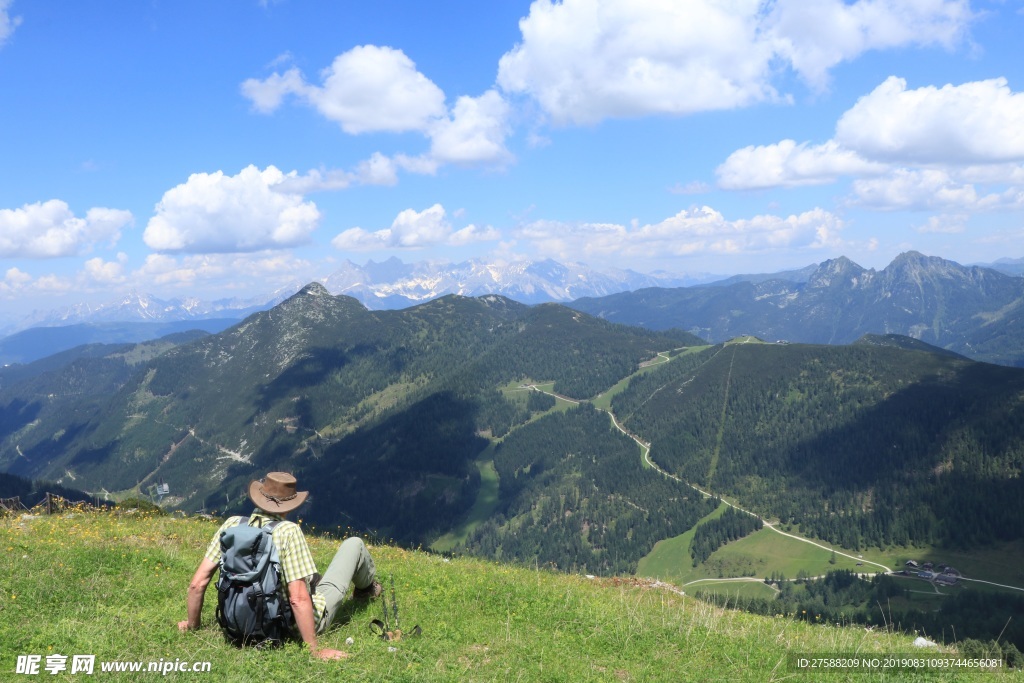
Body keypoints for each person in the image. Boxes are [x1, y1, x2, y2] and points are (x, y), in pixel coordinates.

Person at [177, 472, 380, 660]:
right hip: (287, 627)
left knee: (310, 577)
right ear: (290, 506)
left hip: (236, 623)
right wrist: (314, 649)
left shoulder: (231, 525)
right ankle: (366, 590)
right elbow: (298, 598)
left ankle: (341, 587)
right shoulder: (287, 531)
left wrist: (192, 625)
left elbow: (197, 583)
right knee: (354, 544)